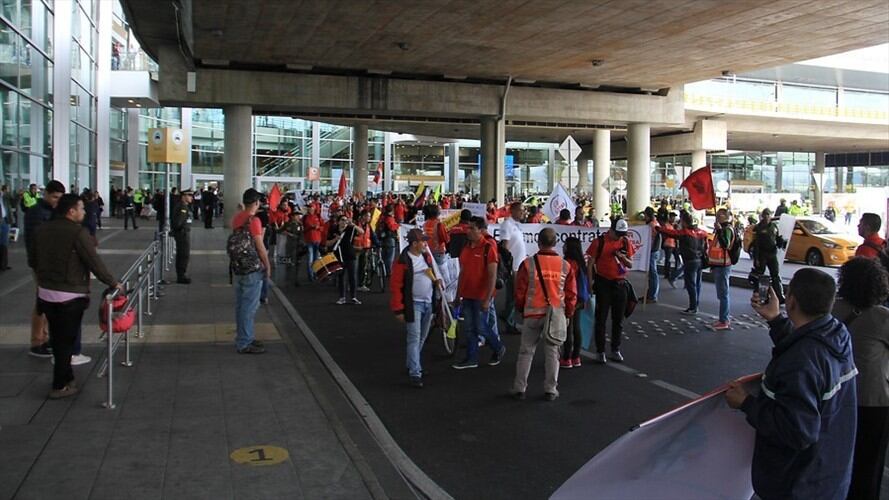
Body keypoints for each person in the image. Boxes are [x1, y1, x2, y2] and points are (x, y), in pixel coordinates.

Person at [725, 268, 857, 500]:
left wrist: (746, 403)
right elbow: (807, 351)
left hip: (797, 484)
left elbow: (797, 432)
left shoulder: (801, 361)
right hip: (828, 474)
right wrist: (776, 320)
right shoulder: (836, 334)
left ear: (792, 300)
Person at [35, 194, 122, 398]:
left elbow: (33, 259)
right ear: (71, 211)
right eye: (81, 208)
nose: (84, 212)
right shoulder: (77, 232)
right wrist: (113, 282)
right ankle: (59, 385)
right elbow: (94, 261)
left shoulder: (42, 229)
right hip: (69, 294)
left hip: (46, 292)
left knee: (58, 338)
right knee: (66, 339)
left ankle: (67, 376)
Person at [832, 258, 889, 500]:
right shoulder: (881, 317)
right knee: (869, 465)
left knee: (840, 457)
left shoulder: (832, 309)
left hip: (837, 396)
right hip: (872, 400)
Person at [511, 228, 576, 401]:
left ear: (538, 242)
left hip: (532, 314)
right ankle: (550, 390)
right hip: (555, 315)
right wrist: (568, 314)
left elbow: (520, 291)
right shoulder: (565, 266)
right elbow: (571, 295)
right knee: (553, 353)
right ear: (555, 243)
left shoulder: (528, 264)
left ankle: (520, 388)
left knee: (526, 352)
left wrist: (520, 308)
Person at [452, 216, 506, 370]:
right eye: (468, 227)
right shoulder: (466, 247)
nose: (467, 231)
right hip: (467, 294)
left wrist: (488, 299)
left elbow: (492, 275)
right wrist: (457, 295)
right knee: (469, 328)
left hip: (481, 296)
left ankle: (498, 347)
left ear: (481, 231)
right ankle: (472, 358)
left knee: (481, 327)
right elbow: (462, 273)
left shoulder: (488, 248)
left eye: (472, 228)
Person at [389, 229, 438, 388]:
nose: (425, 244)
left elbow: (432, 275)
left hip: (427, 303)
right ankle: (415, 371)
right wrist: (398, 308)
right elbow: (396, 286)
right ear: (414, 243)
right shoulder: (403, 261)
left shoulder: (425, 257)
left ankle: (413, 364)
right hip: (414, 304)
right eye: (422, 241)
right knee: (414, 337)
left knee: (421, 337)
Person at [25, 180, 67, 359]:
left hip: (49, 264)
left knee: (48, 302)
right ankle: (37, 341)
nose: (57, 201)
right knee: (41, 303)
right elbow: (36, 243)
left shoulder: (51, 211)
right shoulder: (37, 213)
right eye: (55, 197)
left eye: (60, 198)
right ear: (46, 194)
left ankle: (44, 337)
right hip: (41, 265)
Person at [586, 218, 634, 363]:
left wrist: (622, 257)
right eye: (617, 233)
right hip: (603, 283)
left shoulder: (625, 242)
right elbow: (590, 264)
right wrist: (590, 284)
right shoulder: (599, 242)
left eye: (622, 234)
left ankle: (615, 349)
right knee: (601, 319)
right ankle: (600, 351)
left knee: (618, 319)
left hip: (620, 284)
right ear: (611, 230)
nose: (620, 236)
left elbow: (630, 264)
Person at [230, 188, 271, 354]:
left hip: (238, 266)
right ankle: (244, 342)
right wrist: (267, 264)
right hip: (252, 268)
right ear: (256, 203)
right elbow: (260, 247)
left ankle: (244, 337)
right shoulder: (254, 221)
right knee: (249, 307)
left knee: (241, 306)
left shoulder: (237, 218)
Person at [657, 212, 709, 315]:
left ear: (684, 222)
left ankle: (693, 308)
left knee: (691, 285)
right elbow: (706, 245)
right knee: (697, 284)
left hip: (690, 260)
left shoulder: (685, 233)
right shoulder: (702, 233)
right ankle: (696, 305)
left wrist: (658, 228)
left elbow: (671, 233)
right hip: (700, 260)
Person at [560, 236, 589, 369]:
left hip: (570, 298)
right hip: (580, 298)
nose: (563, 246)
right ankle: (576, 357)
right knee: (576, 327)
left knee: (567, 328)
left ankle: (566, 357)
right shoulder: (581, 263)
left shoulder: (568, 263)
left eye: (565, 244)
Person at [499, 202, 527, 335]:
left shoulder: (516, 225)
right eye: (521, 210)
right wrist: (507, 266)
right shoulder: (507, 225)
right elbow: (504, 246)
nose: (523, 213)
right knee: (513, 294)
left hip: (519, 265)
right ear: (513, 211)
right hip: (513, 266)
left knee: (515, 294)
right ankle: (509, 322)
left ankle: (507, 316)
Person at [749, 208, 786, 304]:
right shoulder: (758, 228)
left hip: (772, 254)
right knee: (761, 276)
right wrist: (756, 258)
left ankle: (779, 296)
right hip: (762, 254)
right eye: (764, 215)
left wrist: (780, 242)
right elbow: (756, 244)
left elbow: (776, 238)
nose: (766, 217)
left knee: (775, 275)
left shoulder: (774, 226)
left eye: (768, 215)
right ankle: (761, 296)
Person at [707, 208, 736, 330]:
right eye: (717, 215)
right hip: (718, 265)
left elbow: (726, 245)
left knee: (723, 294)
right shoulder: (722, 229)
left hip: (723, 265)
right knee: (721, 293)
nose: (717, 217)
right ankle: (723, 318)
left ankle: (724, 320)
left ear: (726, 216)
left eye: (720, 215)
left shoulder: (727, 230)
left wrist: (719, 230)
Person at [327, 214, 363, 305]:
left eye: (346, 220)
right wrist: (336, 239)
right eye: (342, 220)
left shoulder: (350, 229)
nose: (344, 222)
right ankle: (342, 297)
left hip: (350, 255)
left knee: (352, 277)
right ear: (338, 221)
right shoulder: (333, 230)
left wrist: (353, 225)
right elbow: (327, 243)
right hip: (339, 256)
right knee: (341, 277)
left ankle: (353, 297)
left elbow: (361, 232)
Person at [171, 189, 194, 284]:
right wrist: (181, 229)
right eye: (189, 195)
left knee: (183, 254)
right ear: (184, 196)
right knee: (183, 254)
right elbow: (178, 222)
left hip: (183, 233)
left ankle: (181, 274)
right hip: (182, 233)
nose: (191, 198)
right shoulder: (182, 207)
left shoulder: (184, 206)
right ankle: (181, 276)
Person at [643, 207, 661, 303]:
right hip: (654, 250)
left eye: (645, 215)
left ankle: (652, 295)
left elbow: (649, 238)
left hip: (652, 251)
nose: (644, 217)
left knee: (653, 274)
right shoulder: (655, 223)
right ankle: (650, 294)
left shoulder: (651, 225)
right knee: (651, 273)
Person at [376, 204, 400, 276]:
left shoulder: (382, 217)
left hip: (383, 238)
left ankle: (383, 271)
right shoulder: (389, 218)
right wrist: (398, 225)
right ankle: (388, 271)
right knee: (390, 256)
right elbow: (392, 227)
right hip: (390, 239)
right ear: (392, 210)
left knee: (384, 255)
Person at [303, 203, 323, 281]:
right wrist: (310, 227)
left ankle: (315, 274)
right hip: (309, 240)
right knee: (310, 259)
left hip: (317, 240)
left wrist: (318, 227)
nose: (310, 209)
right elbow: (303, 229)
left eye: (311, 208)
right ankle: (310, 275)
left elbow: (323, 227)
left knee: (316, 259)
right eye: (309, 208)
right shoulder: (305, 218)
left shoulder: (318, 217)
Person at [661, 211, 680, 283]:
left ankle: (675, 273)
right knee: (668, 260)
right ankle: (667, 274)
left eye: (674, 217)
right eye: (673, 217)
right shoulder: (666, 225)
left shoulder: (674, 225)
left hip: (674, 245)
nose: (674, 218)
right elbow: (664, 234)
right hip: (668, 244)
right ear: (670, 217)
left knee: (677, 259)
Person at [0, 184, 13, 271]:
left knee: (4, 244)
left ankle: (4, 265)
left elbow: (13, 203)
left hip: (4, 220)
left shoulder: (4, 197)